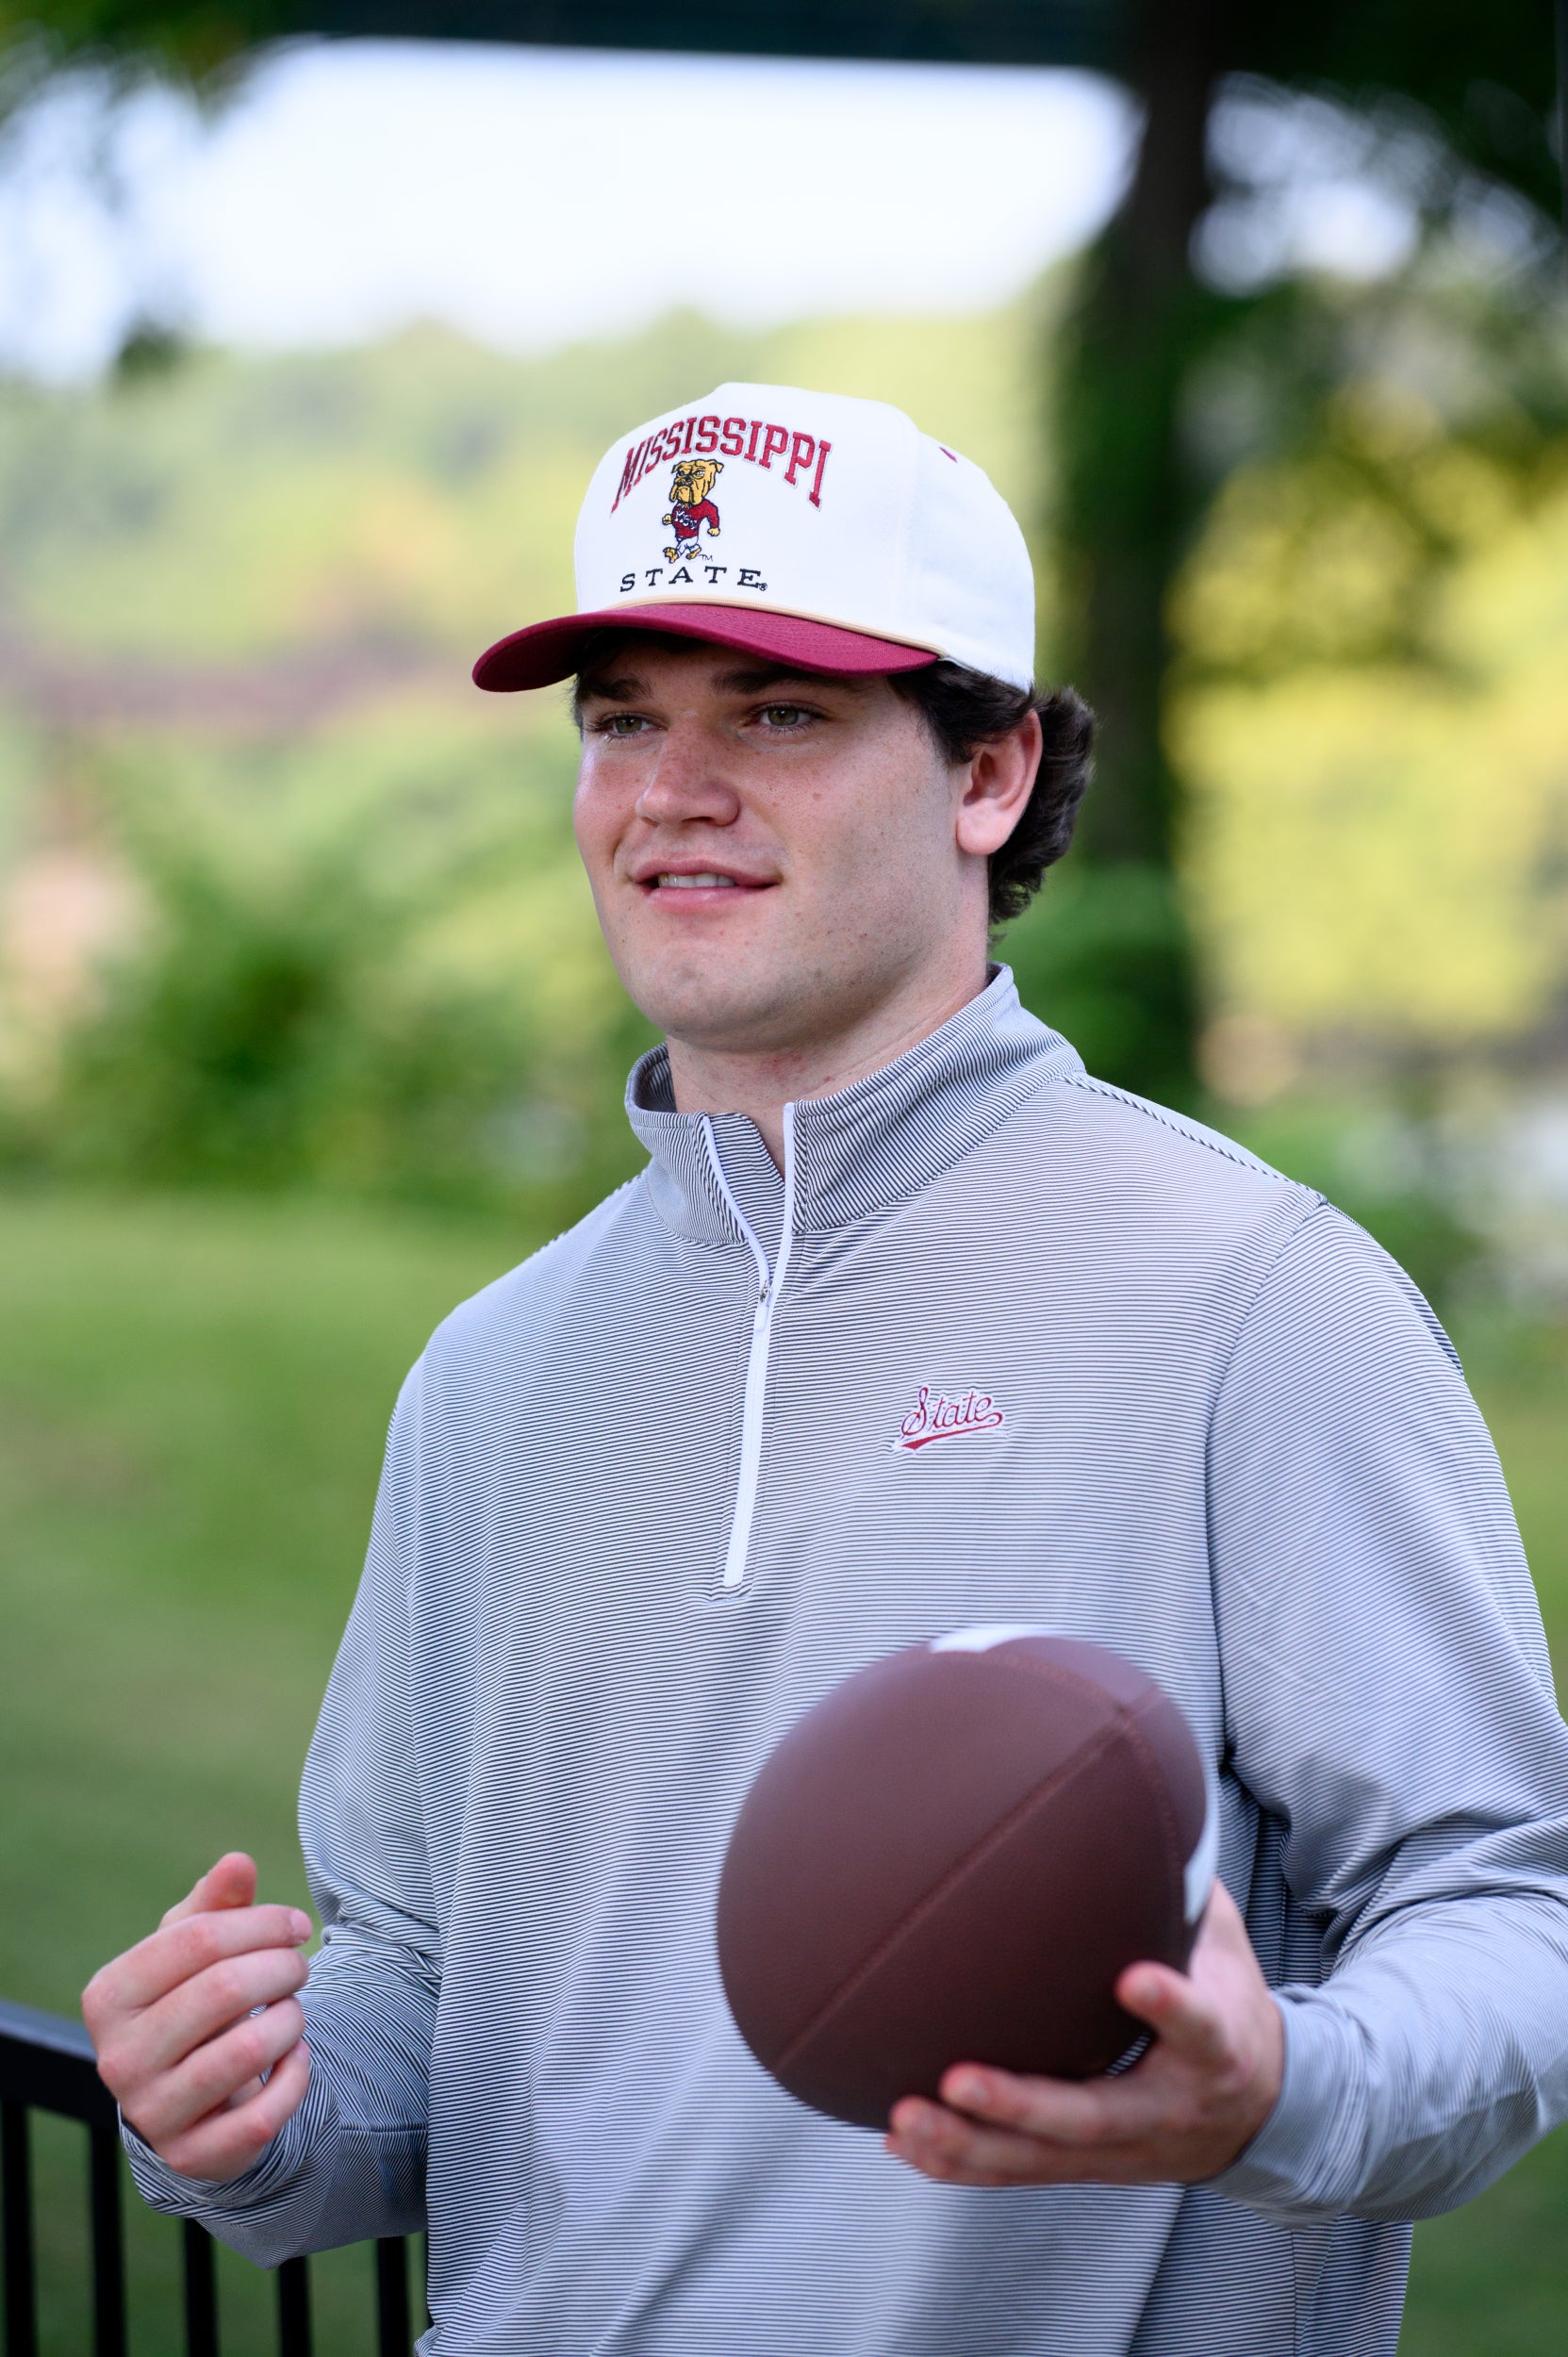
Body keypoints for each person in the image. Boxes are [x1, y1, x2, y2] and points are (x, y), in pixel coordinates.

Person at [84, 383, 1568, 2356]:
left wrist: (1277, 2079)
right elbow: (428, 1980)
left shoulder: (1251, 1288)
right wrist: (244, 2108)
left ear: (989, 769)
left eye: (774, 712)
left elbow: (1513, 1917)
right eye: (621, 716)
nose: (668, 787)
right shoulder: (486, 1372)